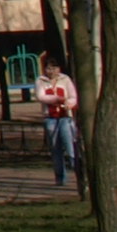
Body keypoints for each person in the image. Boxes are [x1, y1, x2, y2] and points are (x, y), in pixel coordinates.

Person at [36, 58, 80, 188]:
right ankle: (60, 177)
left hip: (65, 117)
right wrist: (57, 99)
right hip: (50, 118)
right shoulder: (40, 81)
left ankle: (79, 173)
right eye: (48, 68)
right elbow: (41, 96)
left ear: (59, 69)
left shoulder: (65, 79)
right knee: (55, 149)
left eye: (54, 68)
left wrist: (69, 103)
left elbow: (73, 96)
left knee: (70, 146)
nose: (51, 71)